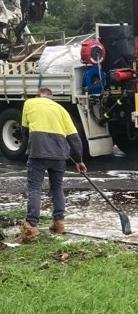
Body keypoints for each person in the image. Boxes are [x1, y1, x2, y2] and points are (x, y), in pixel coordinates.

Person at [17, 87, 87, 243]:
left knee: (35, 188)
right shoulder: (60, 109)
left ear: (38, 95)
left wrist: (30, 146)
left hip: (38, 154)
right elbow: (74, 138)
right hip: (59, 156)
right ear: (51, 98)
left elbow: (25, 130)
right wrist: (79, 160)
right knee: (57, 187)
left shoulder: (30, 103)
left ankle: (31, 226)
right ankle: (59, 223)